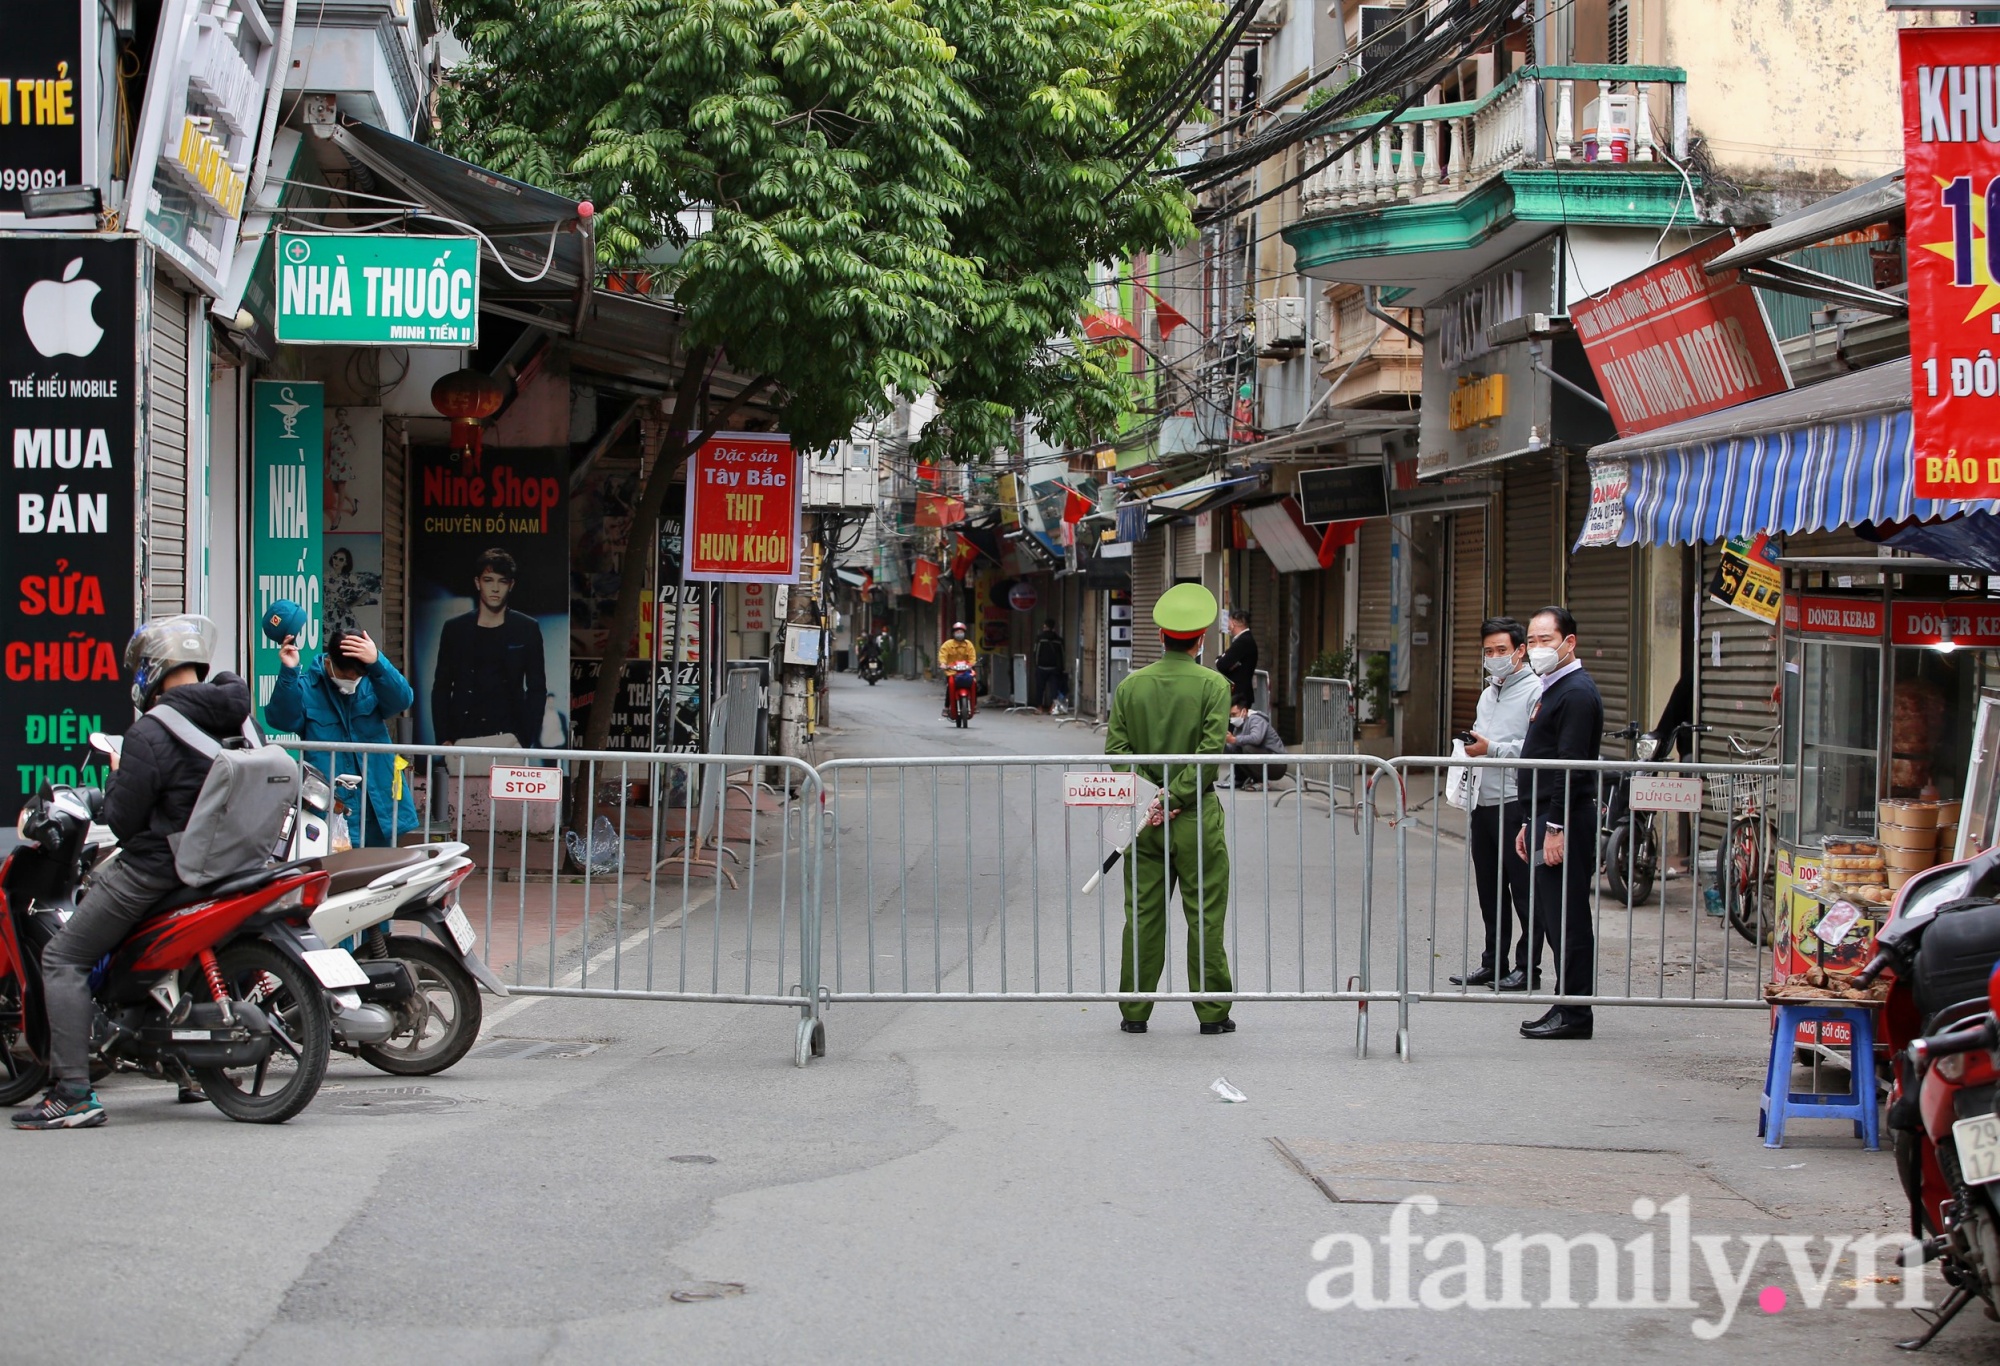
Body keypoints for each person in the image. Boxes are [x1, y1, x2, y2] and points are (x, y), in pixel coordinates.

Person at [12, 616, 249, 1129]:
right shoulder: (236, 716)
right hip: (228, 862)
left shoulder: (151, 731)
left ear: (153, 671)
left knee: (63, 958)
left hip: (158, 867)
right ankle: (185, 1068)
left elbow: (122, 819)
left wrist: (118, 779)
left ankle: (73, 1092)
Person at [1106, 582, 1235, 1035]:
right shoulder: (1215, 686)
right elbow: (1209, 753)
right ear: (1201, 638)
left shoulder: (1131, 686)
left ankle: (1134, 1013)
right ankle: (1213, 1014)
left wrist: (1152, 797)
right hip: (1195, 816)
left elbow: (1117, 752)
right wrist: (1175, 798)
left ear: (1160, 634)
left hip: (1141, 818)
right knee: (1204, 914)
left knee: (1141, 914)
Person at [1513, 605, 1605, 1040]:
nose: (1536, 648)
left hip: (1566, 818)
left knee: (1568, 919)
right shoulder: (1555, 687)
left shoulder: (1577, 692)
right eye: (1530, 641)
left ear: (1569, 643)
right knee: (1554, 917)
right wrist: (1532, 821)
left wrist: (1554, 828)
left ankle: (1575, 1012)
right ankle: (1564, 1003)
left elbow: (1568, 766)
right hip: (1549, 815)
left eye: (1544, 640)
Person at [265, 627, 418, 847]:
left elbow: (402, 700)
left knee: (378, 873)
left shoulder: (372, 680)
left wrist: (377, 661)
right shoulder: (307, 686)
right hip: (328, 803)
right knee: (334, 871)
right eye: (347, 676)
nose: (353, 681)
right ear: (329, 663)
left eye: (358, 676)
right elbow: (282, 720)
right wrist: (289, 672)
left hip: (376, 801)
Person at [1450, 618, 1540, 990]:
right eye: (1488, 651)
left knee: (1524, 891)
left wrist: (1493, 749)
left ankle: (1527, 968)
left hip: (1514, 802)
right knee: (1490, 890)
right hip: (1482, 802)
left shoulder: (1536, 691)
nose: (1495, 657)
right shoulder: (1488, 693)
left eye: (1502, 650)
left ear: (1520, 650)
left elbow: (1537, 751)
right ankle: (1494, 962)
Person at [431, 548, 547, 750]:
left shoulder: (526, 628)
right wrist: (443, 738)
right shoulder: (455, 629)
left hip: (510, 735)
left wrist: (526, 738)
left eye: (502, 581)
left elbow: (537, 688)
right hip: (462, 733)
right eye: (488, 580)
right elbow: (441, 686)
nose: (495, 588)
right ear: (477, 583)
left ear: (511, 585)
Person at [1222, 699, 1287, 789]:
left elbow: (1257, 738)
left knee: (1247, 748)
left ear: (1244, 711)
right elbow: (1233, 750)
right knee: (1238, 751)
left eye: (1234, 714)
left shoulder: (1256, 719)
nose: (1232, 718)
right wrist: (1223, 742)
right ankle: (1256, 781)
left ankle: (1262, 782)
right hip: (1266, 763)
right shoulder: (1238, 727)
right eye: (1230, 716)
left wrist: (1234, 739)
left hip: (1277, 764)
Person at [1215, 607, 1257, 708]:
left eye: (1229, 621)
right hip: (1239, 694)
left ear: (1236, 622)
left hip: (1239, 695)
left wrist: (1221, 660)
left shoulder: (1243, 641)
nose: (1228, 625)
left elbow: (1222, 664)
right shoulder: (1244, 639)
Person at [936, 622, 978, 719]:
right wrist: (943, 664)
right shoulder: (947, 645)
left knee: (974, 682)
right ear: (953, 633)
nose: (959, 633)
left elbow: (972, 658)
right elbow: (942, 656)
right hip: (952, 672)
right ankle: (946, 707)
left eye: (961, 632)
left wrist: (972, 664)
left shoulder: (969, 645)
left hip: (966, 671)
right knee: (949, 686)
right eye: (957, 632)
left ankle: (974, 705)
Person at [1033, 620, 1065, 712]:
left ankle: (1039, 707)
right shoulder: (1058, 640)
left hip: (1041, 667)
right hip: (1054, 668)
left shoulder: (1040, 638)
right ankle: (1052, 707)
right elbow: (1062, 654)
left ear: (1046, 627)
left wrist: (1036, 664)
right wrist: (1061, 667)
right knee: (1054, 688)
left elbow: (1036, 652)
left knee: (1040, 688)